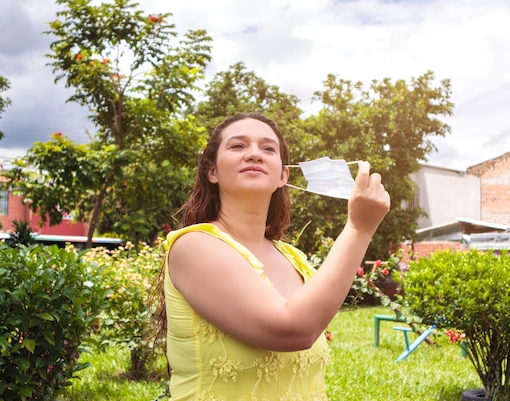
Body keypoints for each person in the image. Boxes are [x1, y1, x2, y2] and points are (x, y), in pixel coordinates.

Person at [161, 112, 390, 400]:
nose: (254, 154)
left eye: (268, 148)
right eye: (238, 146)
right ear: (212, 172)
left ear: (283, 175)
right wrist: (359, 228)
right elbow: (294, 330)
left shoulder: (294, 259)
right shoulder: (194, 246)